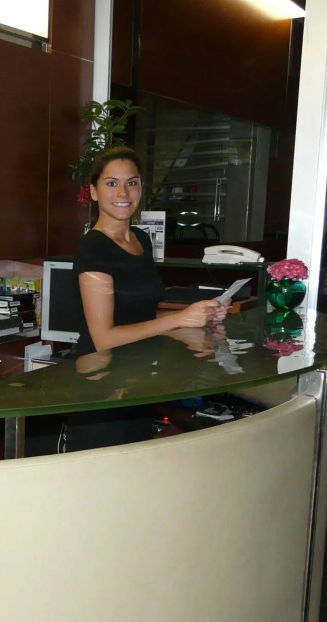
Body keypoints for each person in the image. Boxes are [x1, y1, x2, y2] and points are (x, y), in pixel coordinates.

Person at [63, 146, 227, 451]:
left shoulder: (140, 239)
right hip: (101, 386)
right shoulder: (93, 249)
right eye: (111, 183)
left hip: (136, 379)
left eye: (132, 182)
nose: (123, 192)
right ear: (94, 192)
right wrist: (178, 319)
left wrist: (198, 316)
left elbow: (142, 316)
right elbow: (103, 338)